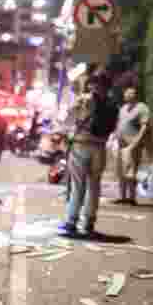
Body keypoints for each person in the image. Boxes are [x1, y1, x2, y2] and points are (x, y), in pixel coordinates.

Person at [60, 70, 119, 236]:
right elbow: (113, 128)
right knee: (94, 187)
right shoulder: (113, 104)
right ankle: (89, 223)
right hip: (100, 147)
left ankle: (72, 222)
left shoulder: (84, 100)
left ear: (94, 84)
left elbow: (67, 121)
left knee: (78, 186)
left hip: (81, 145)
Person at [114, 86, 151, 205]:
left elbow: (145, 126)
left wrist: (137, 141)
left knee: (131, 170)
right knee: (120, 170)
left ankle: (132, 197)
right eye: (126, 93)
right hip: (120, 143)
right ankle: (122, 196)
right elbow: (119, 123)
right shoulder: (123, 108)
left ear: (135, 95)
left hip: (132, 144)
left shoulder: (142, 108)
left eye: (130, 93)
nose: (127, 95)